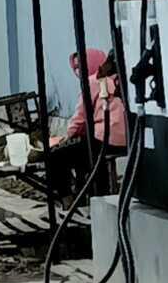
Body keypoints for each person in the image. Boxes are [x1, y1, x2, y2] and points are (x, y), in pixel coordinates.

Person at [47, 48, 128, 196]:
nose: (78, 72)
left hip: (104, 138)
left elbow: (80, 116)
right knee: (84, 150)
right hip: (126, 139)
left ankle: (68, 199)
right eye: (76, 68)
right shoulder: (119, 79)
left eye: (81, 66)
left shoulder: (93, 82)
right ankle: (95, 193)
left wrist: (67, 137)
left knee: (55, 155)